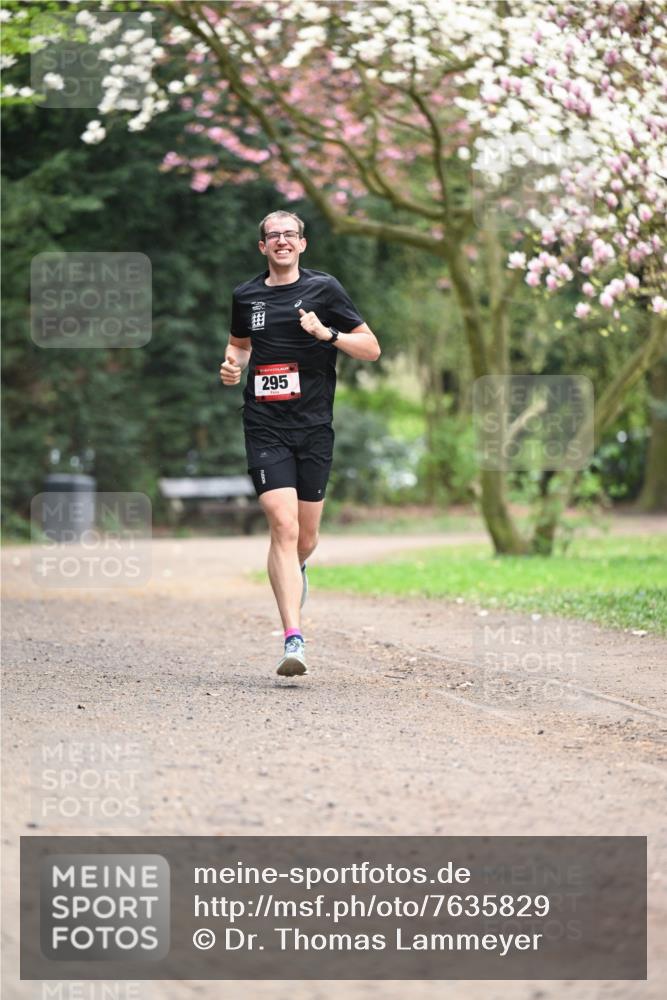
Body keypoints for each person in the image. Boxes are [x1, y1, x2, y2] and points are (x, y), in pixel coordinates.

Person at [220, 210, 380, 677]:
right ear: (263, 247)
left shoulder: (325, 290)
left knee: (304, 538)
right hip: (265, 423)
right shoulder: (246, 296)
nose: (282, 241)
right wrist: (231, 366)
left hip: (313, 426)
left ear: (302, 245)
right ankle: (294, 638)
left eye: (290, 235)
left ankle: (295, 571)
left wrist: (327, 334)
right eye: (273, 236)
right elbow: (239, 346)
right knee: (283, 527)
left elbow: (370, 347)